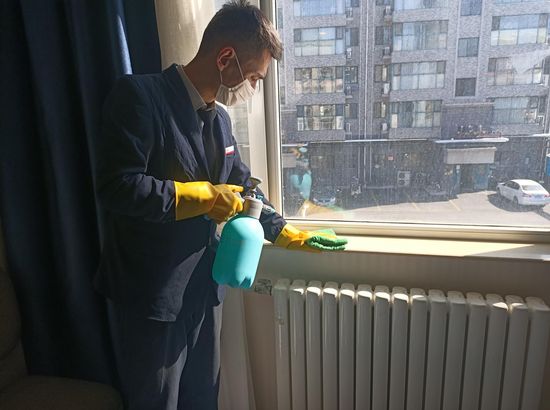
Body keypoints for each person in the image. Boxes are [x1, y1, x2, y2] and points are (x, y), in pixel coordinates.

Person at [93, 1, 346, 409]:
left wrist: (284, 231)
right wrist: (202, 197)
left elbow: (243, 186)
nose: (252, 88)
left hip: (204, 288)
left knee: (202, 398)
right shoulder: (140, 97)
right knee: (156, 402)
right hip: (152, 295)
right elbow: (118, 187)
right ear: (225, 58)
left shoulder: (220, 120)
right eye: (253, 77)